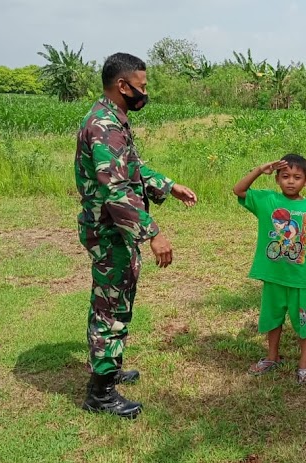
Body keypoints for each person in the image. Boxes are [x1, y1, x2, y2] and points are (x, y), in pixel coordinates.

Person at [75, 52, 197, 418]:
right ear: (122, 86)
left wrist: (168, 185)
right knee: (109, 308)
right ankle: (101, 394)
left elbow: (133, 166)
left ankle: (108, 371)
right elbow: (114, 189)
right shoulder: (104, 126)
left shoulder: (115, 119)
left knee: (116, 304)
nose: (145, 93)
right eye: (141, 88)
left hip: (117, 230)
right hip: (111, 230)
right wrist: (152, 233)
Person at [233, 154, 306, 384]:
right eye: (285, 176)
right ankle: (272, 356)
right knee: (272, 318)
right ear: (277, 179)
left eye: (297, 177)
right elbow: (238, 190)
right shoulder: (268, 200)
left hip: (299, 280)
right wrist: (259, 169)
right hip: (273, 277)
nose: (290, 181)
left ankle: (305, 362)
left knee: (305, 321)